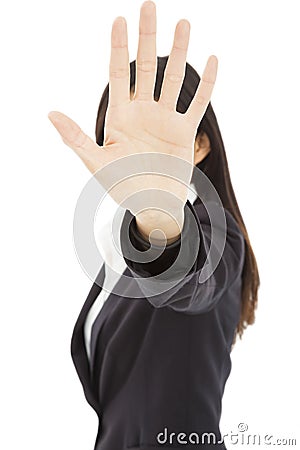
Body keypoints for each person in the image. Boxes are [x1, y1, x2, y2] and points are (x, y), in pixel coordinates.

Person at [48, 1, 260, 449]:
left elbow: (192, 283)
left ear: (200, 145)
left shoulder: (218, 239)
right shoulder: (124, 252)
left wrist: (159, 219)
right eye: (116, 142)